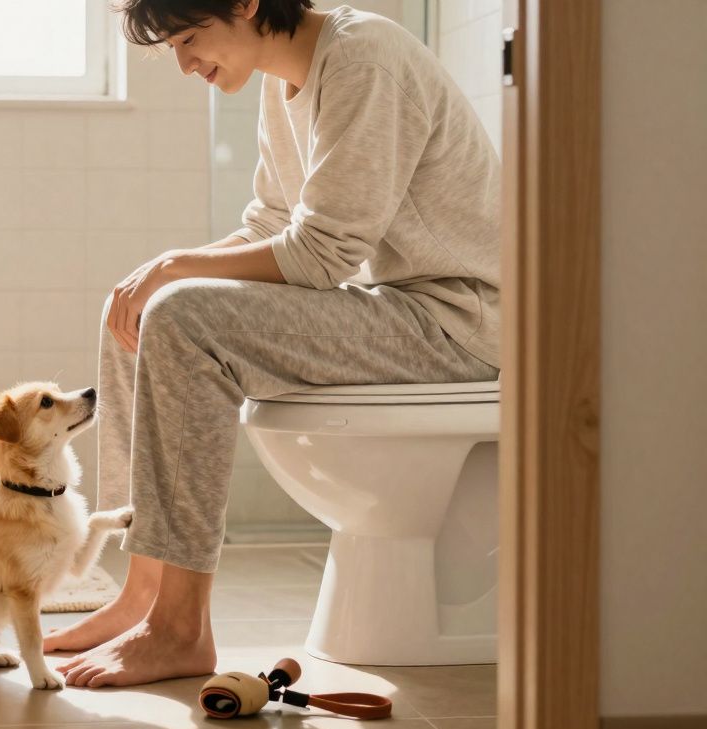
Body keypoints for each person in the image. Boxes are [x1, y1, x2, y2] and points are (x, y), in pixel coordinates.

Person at [42, 0, 502, 688]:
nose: (186, 63)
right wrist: (158, 276)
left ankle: (180, 629)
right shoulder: (281, 80)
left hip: (463, 321)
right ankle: (143, 594)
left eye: (192, 37)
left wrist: (176, 268)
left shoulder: (363, 57)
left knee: (180, 312)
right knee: (139, 313)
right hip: (401, 309)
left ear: (248, 4)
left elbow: (322, 254)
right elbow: (273, 219)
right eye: (173, 47)